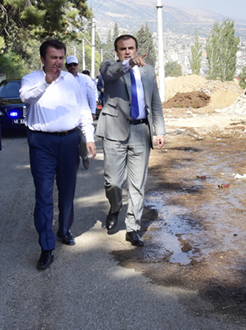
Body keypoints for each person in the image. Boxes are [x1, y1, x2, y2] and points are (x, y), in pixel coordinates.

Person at [20, 39, 96, 270]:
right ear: (43, 59)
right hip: (42, 142)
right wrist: (46, 81)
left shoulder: (72, 81)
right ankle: (47, 247)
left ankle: (64, 230)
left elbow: (83, 109)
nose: (58, 62)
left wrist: (89, 137)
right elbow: (26, 98)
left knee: (67, 190)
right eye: (53, 58)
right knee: (43, 194)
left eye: (61, 58)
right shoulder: (31, 79)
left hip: (70, 141)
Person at [97, 34, 165, 247]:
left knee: (138, 184)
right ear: (117, 52)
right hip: (114, 132)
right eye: (123, 49)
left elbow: (155, 102)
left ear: (137, 49)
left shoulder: (148, 70)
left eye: (131, 48)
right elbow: (109, 74)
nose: (127, 51)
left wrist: (159, 130)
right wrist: (127, 64)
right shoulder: (109, 66)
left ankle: (132, 227)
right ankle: (115, 207)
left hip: (140, 131)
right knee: (113, 182)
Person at [66, 55, 97, 169]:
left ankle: (84, 156)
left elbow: (91, 96)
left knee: (83, 139)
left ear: (78, 65)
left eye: (74, 65)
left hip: (82, 113)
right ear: (67, 66)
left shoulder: (85, 79)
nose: (72, 67)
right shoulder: (62, 78)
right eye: (70, 65)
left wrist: (93, 111)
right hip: (68, 115)